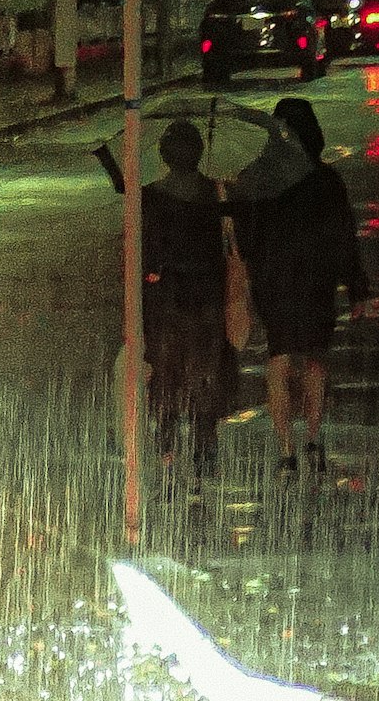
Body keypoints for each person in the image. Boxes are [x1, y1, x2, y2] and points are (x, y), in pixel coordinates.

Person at [229, 97, 360, 483]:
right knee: (315, 357)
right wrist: (355, 283)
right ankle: (314, 440)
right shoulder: (324, 177)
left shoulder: (257, 178)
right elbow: (343, 234)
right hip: (316, 277)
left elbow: (246, 238)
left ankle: (285, 450)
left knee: (280, 355)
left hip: (275, 279)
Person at [136, 119, 233, 488]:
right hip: (207, 293)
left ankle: (165, 442)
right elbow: (226, 243)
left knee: (166, 367)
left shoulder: (151, 195)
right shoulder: (214, 192)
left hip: (167, 294)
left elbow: (145, 248)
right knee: (205, 369)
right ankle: (205, 448)